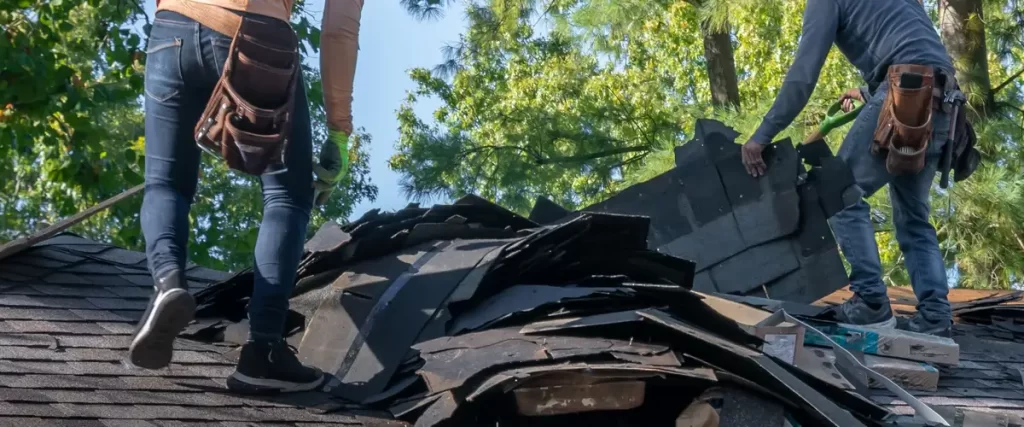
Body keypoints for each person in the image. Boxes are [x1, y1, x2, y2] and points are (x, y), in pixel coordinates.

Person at [129, 0, 364, 393]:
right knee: (287, 196)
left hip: (171, 28)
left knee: (165, 183)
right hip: (258, 32)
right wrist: (339, 130)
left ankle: (168, 282)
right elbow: (339, 28)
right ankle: (264, 350)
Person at [740, 0, 955, 336]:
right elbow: (915, 48)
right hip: (945, 104)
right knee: (913, 217)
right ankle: (936, 316)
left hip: (905, 93)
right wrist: (870, 89)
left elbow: (803, 75)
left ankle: (870, 302)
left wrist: (762, 136)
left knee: (839, 193)